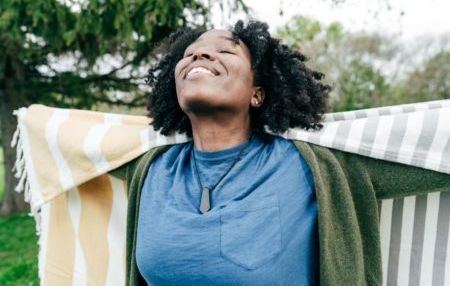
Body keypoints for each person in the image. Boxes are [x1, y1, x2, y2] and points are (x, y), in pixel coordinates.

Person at [112, 20, 450, 286]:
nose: (199, 55)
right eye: (190, 54)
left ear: (256, 94)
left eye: (226, 52)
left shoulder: (314, 166)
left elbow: (430, 151)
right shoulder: (149, 168)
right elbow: (69, 148)